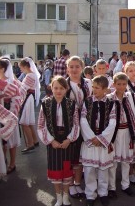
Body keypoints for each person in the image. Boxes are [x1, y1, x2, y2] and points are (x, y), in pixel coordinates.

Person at [37, 76, 80, 206]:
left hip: (67, 142)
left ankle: (66, 196)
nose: (58, 91)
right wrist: (50, 141)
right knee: (55, 171)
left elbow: (76, 124)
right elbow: (41, 125)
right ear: (51, 87)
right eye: (56, 88)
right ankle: (58, 197)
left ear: (66, 89)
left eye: (61, 88)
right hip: (53, 142)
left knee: (67, 170)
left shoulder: (72, 104)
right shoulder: (45, 103)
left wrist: (69, 139)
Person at [80, 75, 117, 206]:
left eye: (97, 88)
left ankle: (103, 193)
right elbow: (83, 120)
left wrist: (101, 138)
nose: (94, 90)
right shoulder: (87, 102)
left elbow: (113, 123)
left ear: (105, 89)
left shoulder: (111, 103)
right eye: (93, 87)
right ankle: (90, 194)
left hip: (103, 142)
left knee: (103, 170)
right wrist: (91, 137)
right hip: (90, 141)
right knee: (89, 169)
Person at [107, 72, 135, 198]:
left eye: (124, 84)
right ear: (114, 84)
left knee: (126, 161)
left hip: (127, 131)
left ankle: (125, 185)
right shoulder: (109, 98)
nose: (121, 87)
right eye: (119, 84)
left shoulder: (130, 96)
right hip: (114, 134)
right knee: (113, 161)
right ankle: (112, 187)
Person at [65, 56, 92, 199]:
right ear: (67, 68)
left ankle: (77, 182)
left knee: (82, 155)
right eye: (72, 66)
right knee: (71, 155)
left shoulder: (88, 82)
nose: (74, 69)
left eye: (77, 66)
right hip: (70, 124)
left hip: (86, 124)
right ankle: (70, 185)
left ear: (82, 68)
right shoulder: (64, 84)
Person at [0, 58, 21, 174]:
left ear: (2, 69)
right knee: (2, 142)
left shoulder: (12, 82)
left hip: (9, 112)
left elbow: (18, 97)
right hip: (1, 112)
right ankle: (3, 160)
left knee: (11, 141)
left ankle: (12, 163)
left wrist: (13, 112)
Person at [19, 57, 41, 153]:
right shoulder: (32, 75)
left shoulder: (29, 75)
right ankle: (35, 140)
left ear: (25, 66)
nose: (20, 69)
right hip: (30, 98)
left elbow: (22, 88)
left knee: (24, 122)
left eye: (21, 67)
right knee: (29, 121)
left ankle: (30, 143)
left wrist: (15, 81)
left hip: (27, 98)